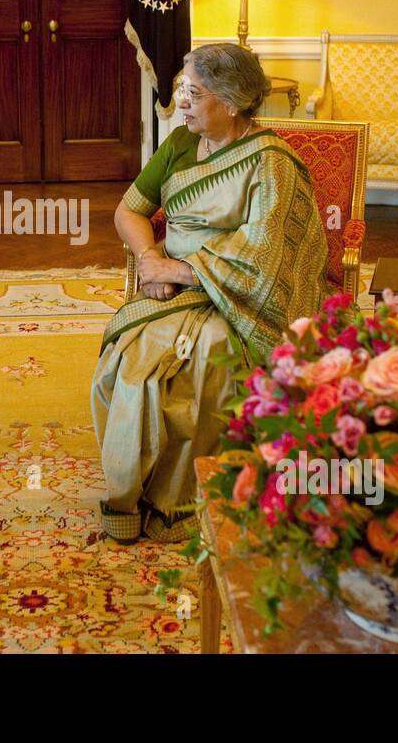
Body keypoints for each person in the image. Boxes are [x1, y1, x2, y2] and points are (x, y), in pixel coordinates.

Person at [90, 43, 330, 543]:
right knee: (127, 361)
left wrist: (176, 270)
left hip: (240, 301)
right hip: (168, 283)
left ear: (233, 101)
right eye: (182, 89)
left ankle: (175, 500)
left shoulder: (272, 164)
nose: (182, 102)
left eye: (194, 94)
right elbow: (127, 211)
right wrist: (147, 259)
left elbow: (261, 258)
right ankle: (126, 493)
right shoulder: (179, 143)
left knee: (204, 361)